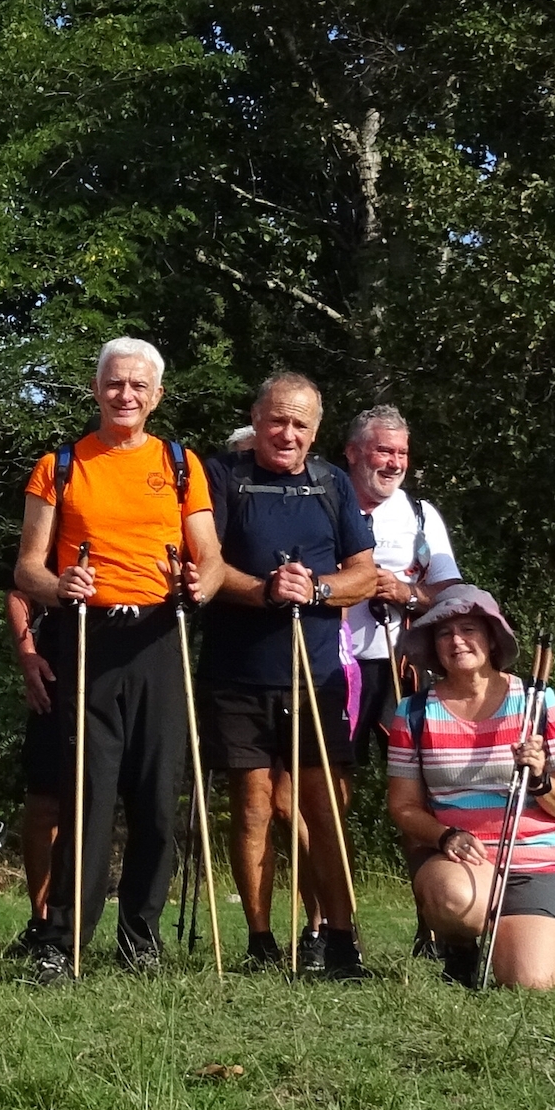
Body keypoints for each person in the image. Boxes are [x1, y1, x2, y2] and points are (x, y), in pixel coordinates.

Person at [11, 337, 225, 979]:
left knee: (159, 793)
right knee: (88, 794)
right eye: (114, 384)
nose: (125, 396)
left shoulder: (181, 464)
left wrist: (201, 583)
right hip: (87, 633)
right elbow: (27, 566)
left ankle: (142, 937)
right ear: (97, 388)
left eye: (138, 386)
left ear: (156, 395)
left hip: (160, 635)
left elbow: (210, 557)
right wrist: (58, 586)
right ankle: (61, 940)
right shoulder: (63, 463)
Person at [202, 372, 379, 978]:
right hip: (238, 668)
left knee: (321, 808)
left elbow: (364, 574)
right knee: (252, 806)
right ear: (256, 419)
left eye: (301, 423)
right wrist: (265, 590)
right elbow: (207, 566)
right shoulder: (224, 475)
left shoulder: (332, 483)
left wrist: (319, 588)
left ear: (316, 430)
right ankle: (259, 940)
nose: (288, 433)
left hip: (316, 672)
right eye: (277, 420)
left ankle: (340, 936)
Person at [387, 584, 555, 990]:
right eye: (444, 633)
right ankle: (461, 947)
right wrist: (446, 836)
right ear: (433, 646)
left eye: (469, 629)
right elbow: (403, 807)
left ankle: (514, 946)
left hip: (541, 863)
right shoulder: (413, 712)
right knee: (457, 902)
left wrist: (542, 780)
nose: (457, 641)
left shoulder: (539, 703)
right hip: (462, 863)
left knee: (533, 982)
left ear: (492, 637)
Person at [339, 404, 459, 762]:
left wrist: (405, 593)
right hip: (334, 666)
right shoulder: (325, 506)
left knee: (414, 771)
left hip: (401, 666)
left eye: (402, 453)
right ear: (352, 452)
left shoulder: (419, 514)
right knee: (332, 770)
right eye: (384, 451)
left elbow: (453, 594)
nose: (395, 463)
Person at [4, 587, 67, 959]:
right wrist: (28, 654)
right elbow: (19, 593)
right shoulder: (47, 529)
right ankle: (42, 921)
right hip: (58, 673)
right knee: (45, 805)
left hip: (134, 666)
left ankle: (138, 933)